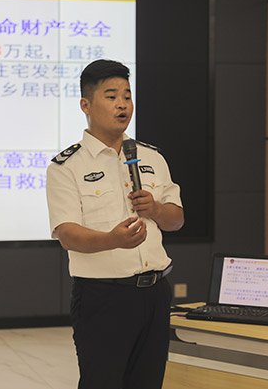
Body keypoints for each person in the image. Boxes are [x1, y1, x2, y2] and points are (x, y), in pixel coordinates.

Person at [46, 59, 184, 389]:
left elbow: (177, 220)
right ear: (86, 105)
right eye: (111, 96)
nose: (122, 104)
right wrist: (113, 240)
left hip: (155, 293)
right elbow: (67, 234)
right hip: (103, 297)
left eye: (127, 95)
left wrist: (156, 209)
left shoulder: (152, 157)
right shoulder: (66, 166)